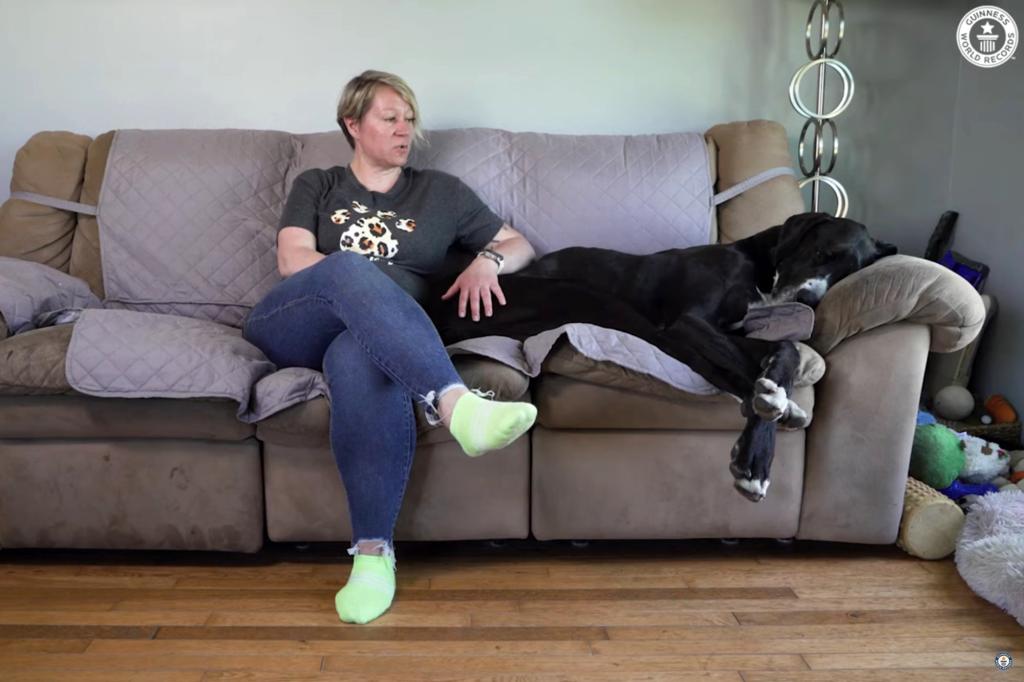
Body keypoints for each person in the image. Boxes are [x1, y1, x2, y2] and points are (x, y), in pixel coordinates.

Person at [242, 71, 538, 624]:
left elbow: (517, 243)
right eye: (390, 118)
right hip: (297, 321)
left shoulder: (442, 193)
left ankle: (372, 558)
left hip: (376, 341)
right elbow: (293, 260)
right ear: (353, 125)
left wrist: (486, 260)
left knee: (362, 357)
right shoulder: (319, 184)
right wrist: (359, 277)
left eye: (410, 119)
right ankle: (455, 403)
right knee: (350, 268)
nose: (405, 130)